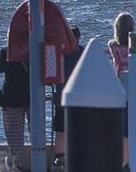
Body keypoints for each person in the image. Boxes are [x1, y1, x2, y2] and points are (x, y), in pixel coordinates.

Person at [52, 26, 83, 169]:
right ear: (79, 37)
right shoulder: (84, 53)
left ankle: (59, 159)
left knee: (60, 130)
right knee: (79, 129)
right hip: (80, 100)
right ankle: (78, 156)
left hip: (61, 98)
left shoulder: (59, 52)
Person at [0, 46, 29, 170]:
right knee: (36, 132)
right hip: (32, 96)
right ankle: (37, 161)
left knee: (14, 136)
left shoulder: (6, 51)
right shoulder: (35, 49)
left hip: (11, 97)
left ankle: (16, 164)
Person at [108, 12, 134, 170]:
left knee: (123, 129)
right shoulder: (135, 47)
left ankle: (124, 162)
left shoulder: (113, 45)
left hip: (119, 89)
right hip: (134, 87)